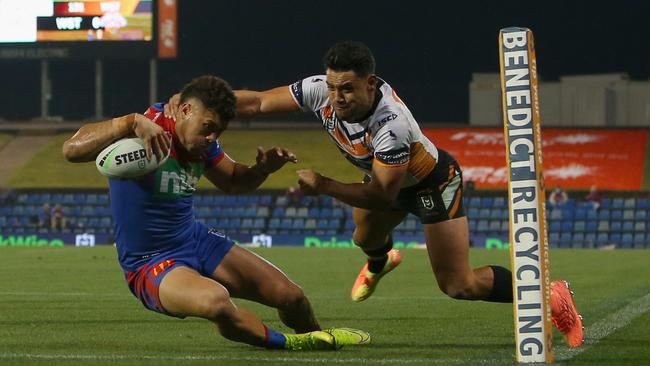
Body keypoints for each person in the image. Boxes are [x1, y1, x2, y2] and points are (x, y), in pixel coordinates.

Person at [166, 42, 584, 348]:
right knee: (364, 239)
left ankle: (551, 294)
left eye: (346, 89)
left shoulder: (392, 123)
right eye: (332, 87)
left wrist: (324, 184)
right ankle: (382, 260)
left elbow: (383, 195)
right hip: (386, 183)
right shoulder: (321, 91)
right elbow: (255, 103)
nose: (336, 98)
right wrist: (197, 103)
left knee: (459, 285)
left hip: (430, 187)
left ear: (370, 84)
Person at [63, 75, 368, 351]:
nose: (211, 139)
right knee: (217, 303)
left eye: (217, 132)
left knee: (292, 297)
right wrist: (128, 121)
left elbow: (234, 182)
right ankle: (290, 344)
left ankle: (318, 341)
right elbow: (72, 150)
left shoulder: (202, 143)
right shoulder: (147, 128)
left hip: (195, 240)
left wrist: (262, 169)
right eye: (207, 128)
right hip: (150, 263)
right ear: (184, 111)